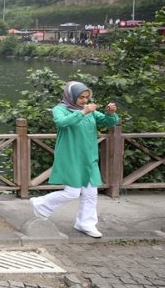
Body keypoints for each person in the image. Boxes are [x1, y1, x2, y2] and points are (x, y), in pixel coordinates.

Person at [30, 81, 119, 238]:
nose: (84, 101)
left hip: (89, 156)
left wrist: (110, 114)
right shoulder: (60, 109)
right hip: (70, 155)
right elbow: (61, 123)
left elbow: (108, 123)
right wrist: (83, 112)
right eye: (81, 97)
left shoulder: (89, 111)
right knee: (72, 192)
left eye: (86, 97)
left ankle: (86, 223)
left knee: (91, 193)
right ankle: (41, 204)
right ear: (71, 96)